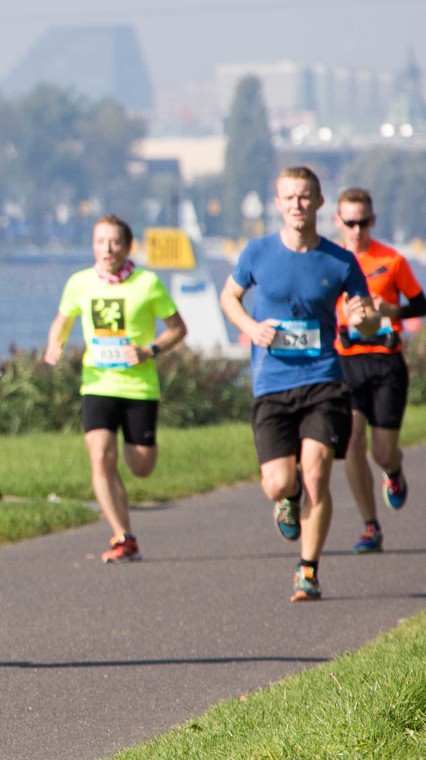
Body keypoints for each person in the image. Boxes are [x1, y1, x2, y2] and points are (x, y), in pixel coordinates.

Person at [221, 166, 380, 602]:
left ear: (319, 202)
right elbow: (228, 297)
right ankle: (285, 497)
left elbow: (366, 319)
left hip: (323, 380)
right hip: (272, 382)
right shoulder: (257, 253)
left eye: (305, 197)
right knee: (278, 482)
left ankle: (308, 571)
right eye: (289, 197)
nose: (297, 205)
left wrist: (365, 319)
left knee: (316, 474)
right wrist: (251, 327)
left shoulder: (339, 260)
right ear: (277, 204)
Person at [44, 215, 187, 564]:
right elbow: (62, 321)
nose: (107, 249)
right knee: (100, 455)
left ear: (127, 246)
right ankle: (124, 537)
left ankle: (124, 496)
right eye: (100, 241)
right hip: (97, 383)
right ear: (92, 245)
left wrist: (148, 350)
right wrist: (55, 345)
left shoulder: (148, 283)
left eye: (114, 242)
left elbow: (178, 329)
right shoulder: (79, 283)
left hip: (139, 387)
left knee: (140, 466)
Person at [332, 187, 426, 553]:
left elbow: (420, 304)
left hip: (387, 363)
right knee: (353, 440)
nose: (357, 230)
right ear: (338, 222)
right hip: (347, 362)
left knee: (382, 452)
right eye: (349, 223)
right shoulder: (331, 261)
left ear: (373, 220)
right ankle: (370, 525)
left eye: (363, 222)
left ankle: (394, 470)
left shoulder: (393, 260)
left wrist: (390, 311)